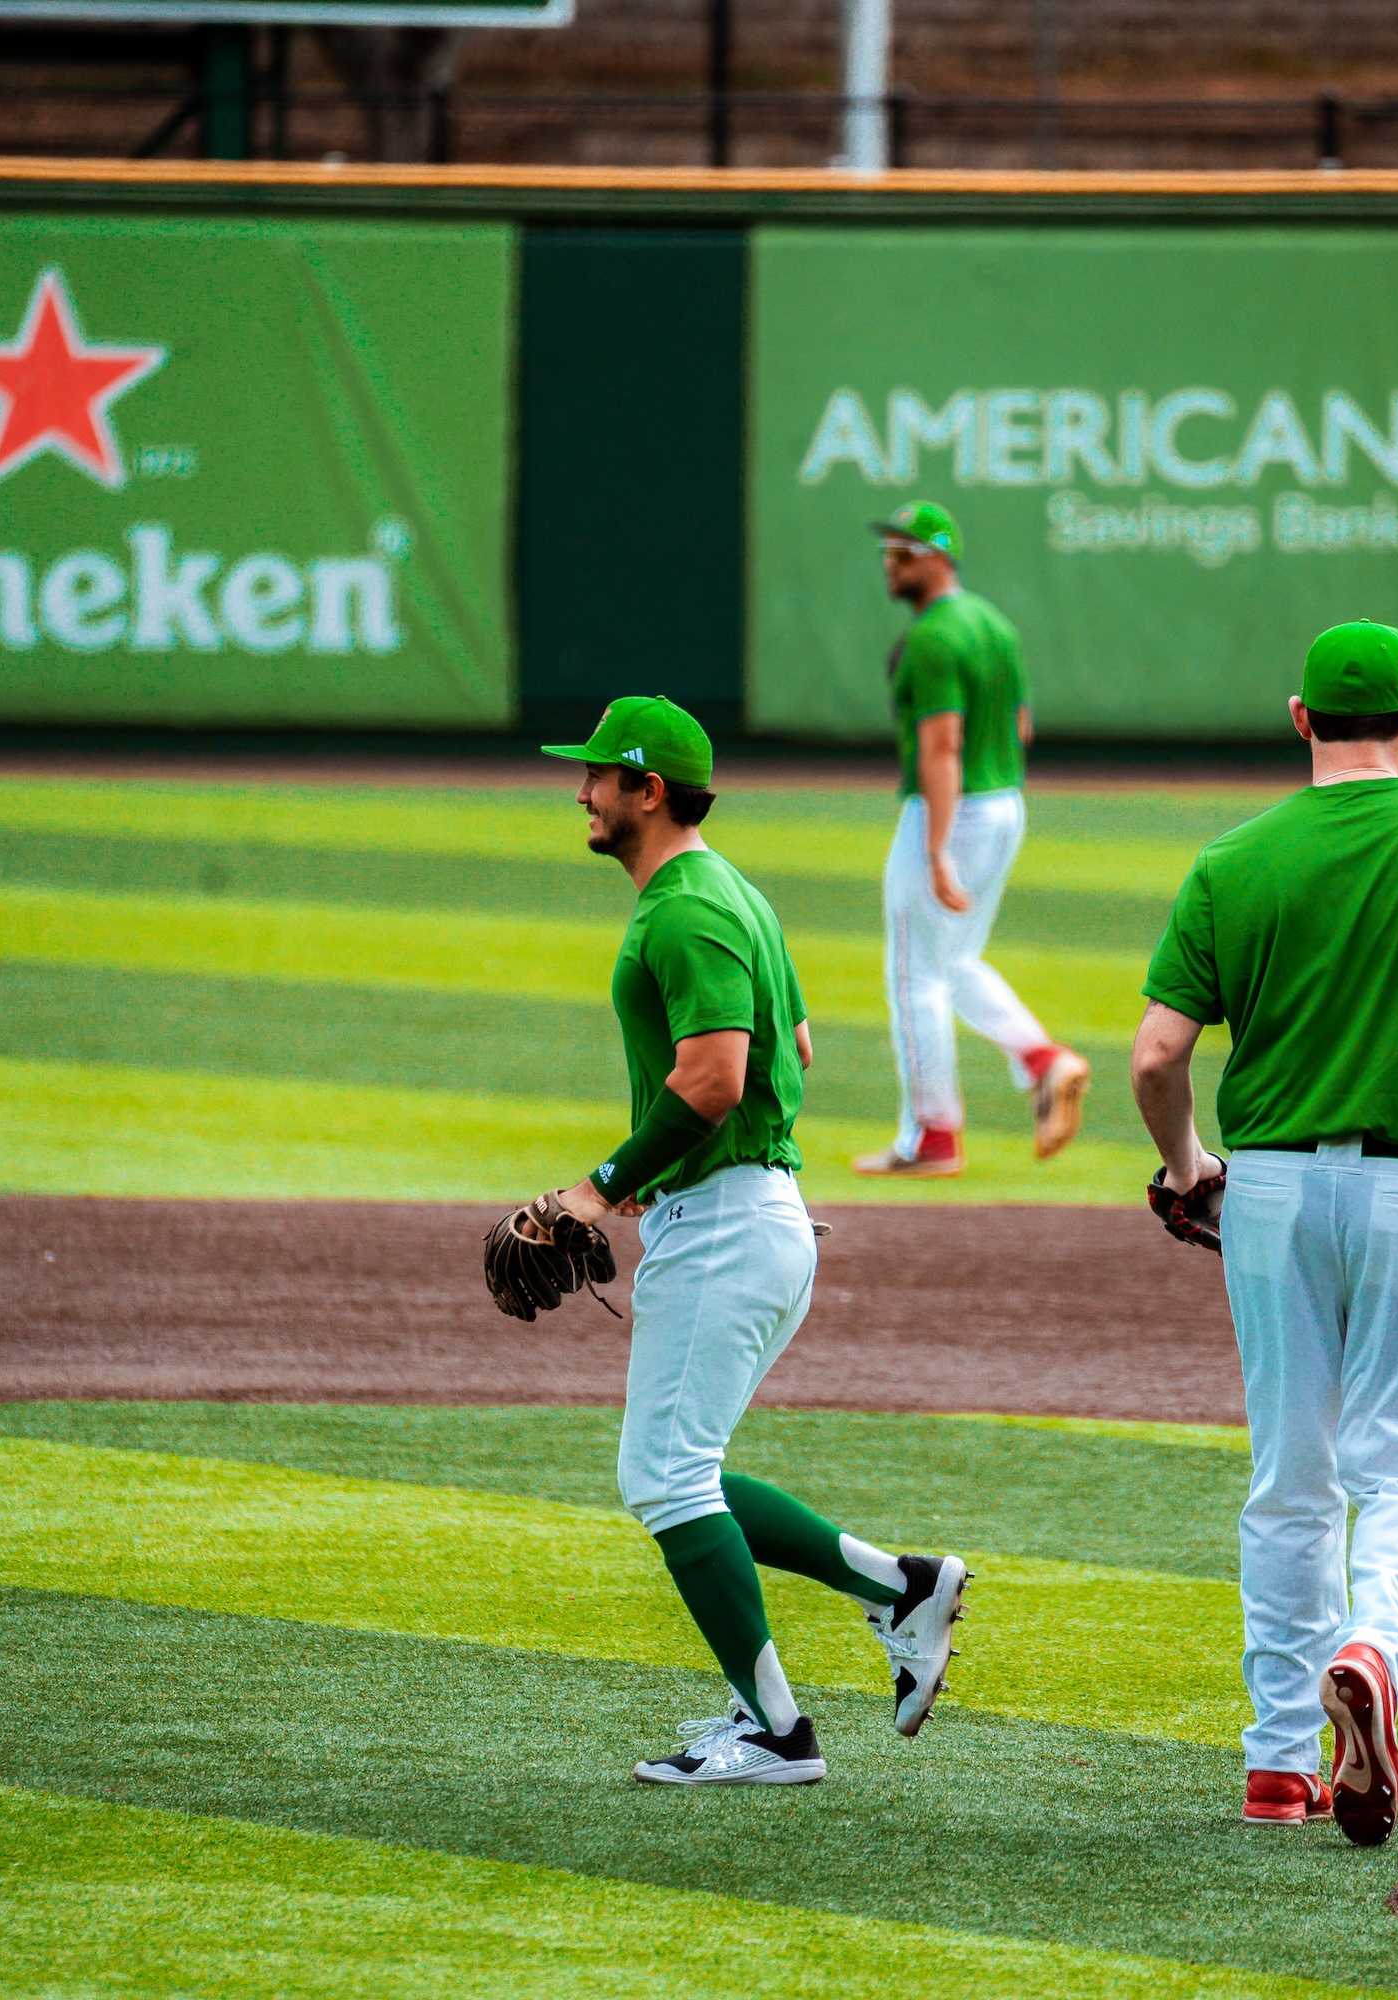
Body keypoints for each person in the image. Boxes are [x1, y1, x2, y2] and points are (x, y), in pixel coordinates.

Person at [1130, 621, 1398, 1847]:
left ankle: (1278, 1762)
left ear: (1299, 718)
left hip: (1272, 1189)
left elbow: (1157, 1056)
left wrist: (1190, 1169)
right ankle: (1374, 1646)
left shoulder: (1235, 857)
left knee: (1291, 1475)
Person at [538, 695, 969, 1786]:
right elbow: (797, 1048)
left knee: (666, 1476)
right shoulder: (732, 892)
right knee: (685, 1469)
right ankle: (900, 1587)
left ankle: (776, 1731)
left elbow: (718, 1078)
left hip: (729, 1224)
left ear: (648, 790)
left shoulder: (685, 910)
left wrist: (601, 1188)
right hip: (748, 1210)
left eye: (598, 774)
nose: (580, 791)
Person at [851, 499, 1090, 1179]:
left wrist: (935, 850)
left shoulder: (933, 638)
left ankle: (933, 1136)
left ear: (937, 558)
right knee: (954, 961)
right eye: (887, 550)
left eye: (902, 551)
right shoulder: (993, 623)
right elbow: (1020, 726)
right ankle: (1044, 1061)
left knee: (914, 976)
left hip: (952, 811)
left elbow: (943, 744)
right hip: (1005, 802)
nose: (889, 563)